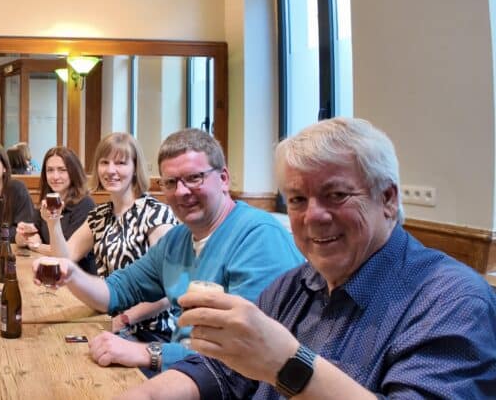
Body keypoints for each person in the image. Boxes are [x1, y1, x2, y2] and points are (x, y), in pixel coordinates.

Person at [121, 118, 496, 399]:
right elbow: (222, 370)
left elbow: (276, 361)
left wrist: (287, 364)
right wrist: (146, 395)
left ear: (387, 199)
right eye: (298, 200)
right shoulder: (294, 285)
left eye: (336, 195)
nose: (313, 216)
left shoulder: (453, 302)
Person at [40, 129, 303, 377]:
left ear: (224, 178)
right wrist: (71, 274)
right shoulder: (177, 240)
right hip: (185, 369)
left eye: (194, 178)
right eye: (171, 182)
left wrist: (148, 352)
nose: (181, 192)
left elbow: (243, 351)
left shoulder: (258, 236)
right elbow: (115, 292)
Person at [44, 133, 178, 352]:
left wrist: (125, 319)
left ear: (135, 168)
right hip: (108, 320)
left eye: (120, 163)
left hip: (150, 334)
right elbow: (64, 259)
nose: (111, 170)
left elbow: (170, 289)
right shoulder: (100, 215)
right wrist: (53, 222)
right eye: (104, 162)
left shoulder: (156, 214)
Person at [15, 147, 96, 273]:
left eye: (62, 170)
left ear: (73, 172)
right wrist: (23, 233)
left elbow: (63, 252)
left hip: (78, 277)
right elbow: (21, 240)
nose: (55, 176)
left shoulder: (85, 204)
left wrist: (36, 245)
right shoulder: (47, 201)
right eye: (50, 170)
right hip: (51, 273)